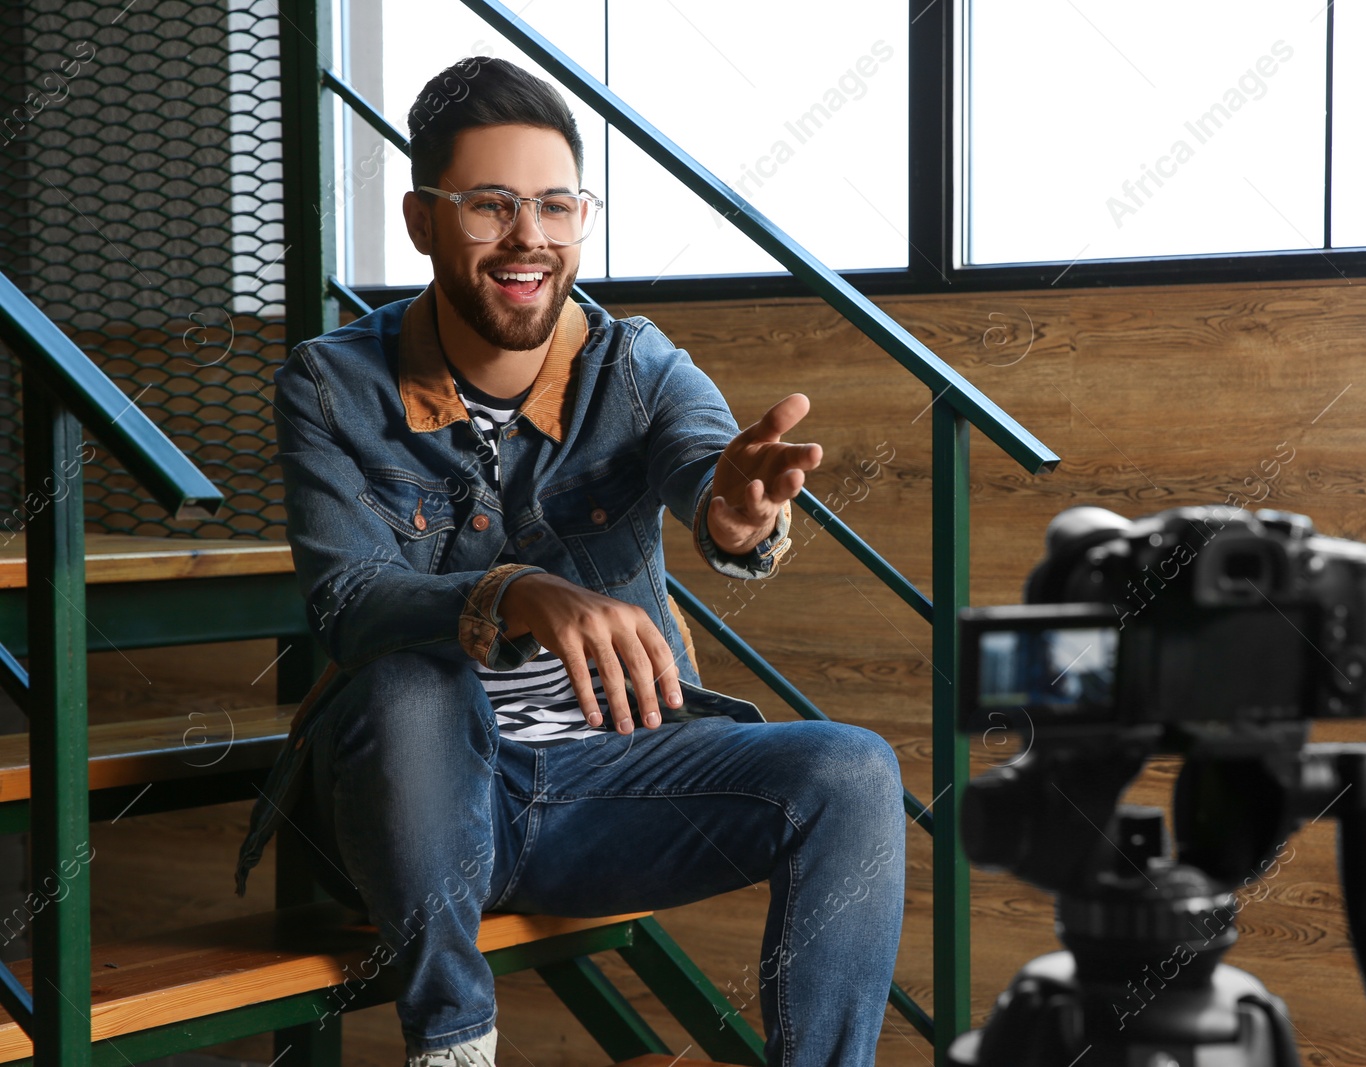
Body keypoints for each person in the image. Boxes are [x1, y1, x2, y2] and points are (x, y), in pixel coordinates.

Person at [233, 57, 905, 1067]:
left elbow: (705, 473)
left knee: (854, 769)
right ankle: (453, 1042)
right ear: (422, 220)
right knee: (412, 670)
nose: (529, 238)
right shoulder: (330, 384)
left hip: (603, 789)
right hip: (418, 808)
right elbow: (349, 600)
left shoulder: (637, 367)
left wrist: (733, 513)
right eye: (490, 206)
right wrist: (513, 591)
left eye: (556, 206)